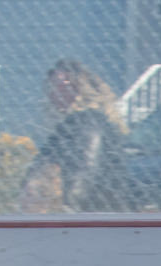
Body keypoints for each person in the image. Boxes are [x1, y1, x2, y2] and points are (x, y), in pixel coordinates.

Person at [18, 60, 134, 213]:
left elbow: (85, 169)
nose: (52, 94)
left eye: (60, 87)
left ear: (78, 89)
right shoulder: (70, 125)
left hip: (92, 214)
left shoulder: (89, 122)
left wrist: (69, 208)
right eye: (50, 87)